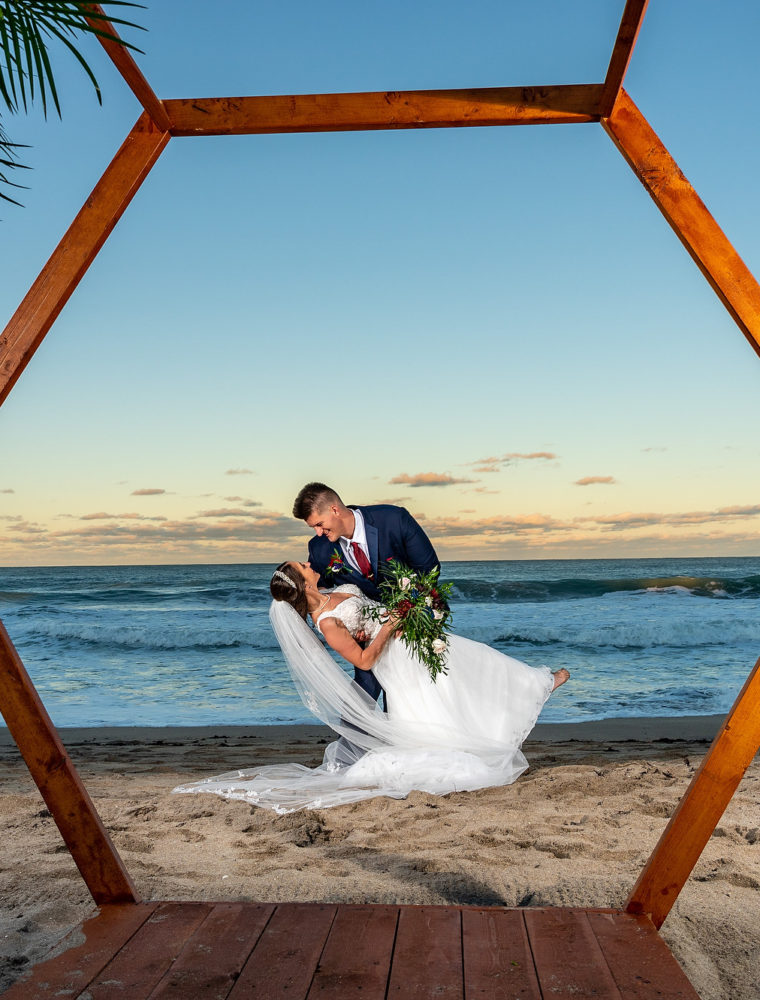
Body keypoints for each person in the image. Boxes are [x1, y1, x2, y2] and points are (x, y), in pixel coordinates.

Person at [173, 561, 569, 813]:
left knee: (467, 666)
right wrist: (392, 626)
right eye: (302, 565)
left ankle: (530, 688)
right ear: (301, 582)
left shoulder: (331, 591)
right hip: (395, 655)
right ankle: (533, 688)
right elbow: (363, 661)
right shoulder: (328, 623)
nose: (309, 562)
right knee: (447, 684)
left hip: (408, 640)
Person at [292, 482, 441, 706]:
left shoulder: (393, 519)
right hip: (369, 631)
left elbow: (428, 569)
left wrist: (406, 613)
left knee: (409, 690)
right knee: (365, 686)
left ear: (334, 510)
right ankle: (351, 740)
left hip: (414, 618)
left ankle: (403, 734)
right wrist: (352, 626)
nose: (318, 532)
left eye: (319, 524)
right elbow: (320, 596)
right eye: (313, 527)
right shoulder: (320, 548)